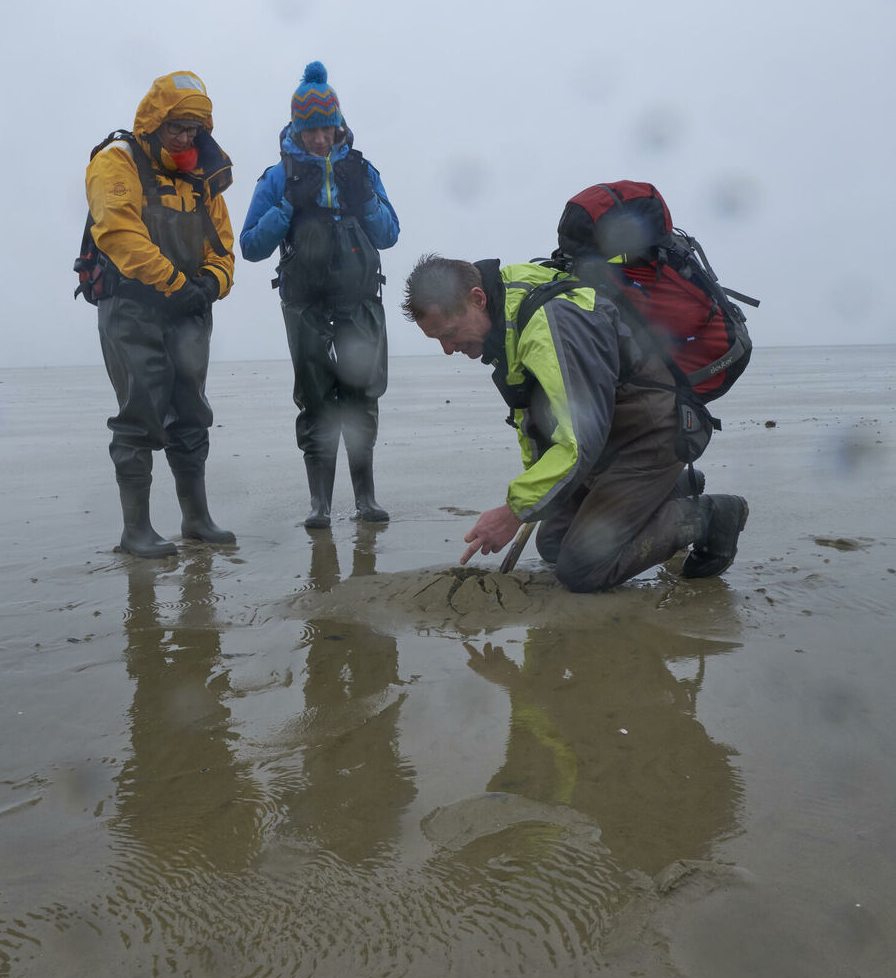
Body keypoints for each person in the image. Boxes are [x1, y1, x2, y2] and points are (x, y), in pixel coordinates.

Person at [402, 254, 749, 592]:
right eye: (438, 341)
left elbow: (579, 439)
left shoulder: (550, 324)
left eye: (448, 334)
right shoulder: (507, 314)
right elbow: (532, 417)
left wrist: (512, 512)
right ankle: (667, 491)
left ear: (476, 299)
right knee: (554, 542)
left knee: (584, 568)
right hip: (609, 438)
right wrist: (533, 499)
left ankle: (710, 516)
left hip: (649, 434)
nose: (447, 349)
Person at [240, 62, 399, 528]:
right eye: (310, 131)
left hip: (360, 302)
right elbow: (250, 246)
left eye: (326, 128)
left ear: (338, 123)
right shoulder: (277, 176)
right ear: (296, 127)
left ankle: (365, 500)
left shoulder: (362, 168)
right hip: (305, 305)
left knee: (361, 396)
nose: (320, 140)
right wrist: (288, 204)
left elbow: (389, 234)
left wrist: (364, 196)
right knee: (315, 400)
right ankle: (320, 506)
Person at [85, 70, 236, 558]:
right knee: (139, 414)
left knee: (191, 413)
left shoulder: (201, 176)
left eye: (195, 129)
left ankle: (196, 520)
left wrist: (211, 283)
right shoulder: (116, 162)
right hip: (132, 310)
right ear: (154, 120)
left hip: (189, 311)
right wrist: (173, 285)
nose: (187, 138)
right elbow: (118, 233)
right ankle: (136, 531)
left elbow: (223, 245)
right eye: (178, 127)